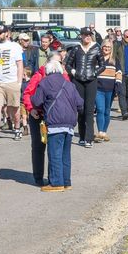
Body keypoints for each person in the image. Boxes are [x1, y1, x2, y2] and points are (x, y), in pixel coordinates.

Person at [31, 58, 84, 191]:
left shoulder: (45, 83)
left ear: (48, 71)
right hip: (70, 124)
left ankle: (56, 183)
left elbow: (37, 101)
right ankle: (66, 182)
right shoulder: (69, 84)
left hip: (55, 123)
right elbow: (80, 103)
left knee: (54, 153)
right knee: (66, 155)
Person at [22, 40, 66, 186]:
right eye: (54, 61)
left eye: (59, 61)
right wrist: (31, 109)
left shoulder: (63, 75)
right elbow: (27, 93)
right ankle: (38, 177)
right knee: (38, 147)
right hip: (38, 115)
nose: (56, 65)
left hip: (54, 117)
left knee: (54, 150)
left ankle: (53, 178)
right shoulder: (39, 75)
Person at [0, 24, 24, 143]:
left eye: (0, 33)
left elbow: (19, 65)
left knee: (14, 108)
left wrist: (19, 82)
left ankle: (17, 129)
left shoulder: (15, 46)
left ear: (7, 33)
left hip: (11, 81)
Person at [65, 27, 101, 147]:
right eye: (85, 35)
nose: (87, 37)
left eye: (89, 35)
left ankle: (89, 138)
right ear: (81, 36)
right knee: (80, 109)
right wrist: (74, 72)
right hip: (78, 81)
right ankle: (81, 135)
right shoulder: (76, 48)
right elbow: (68, 65)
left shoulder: (96, 48)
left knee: (89, 110)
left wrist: (95, 73)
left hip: (91, 81)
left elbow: (103, 65)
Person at [94, 41, 119, 142]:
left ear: (111, 48)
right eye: (105, 46)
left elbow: (119, 73)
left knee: (107, 111)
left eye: (109, 47)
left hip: (110, 89)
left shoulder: (115, 60)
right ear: (102, 47)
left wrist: (118, 86)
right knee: (100, 109)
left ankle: (104, 132)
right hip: (98, 89)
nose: (107, 48)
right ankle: (100, 132)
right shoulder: (96, 59)